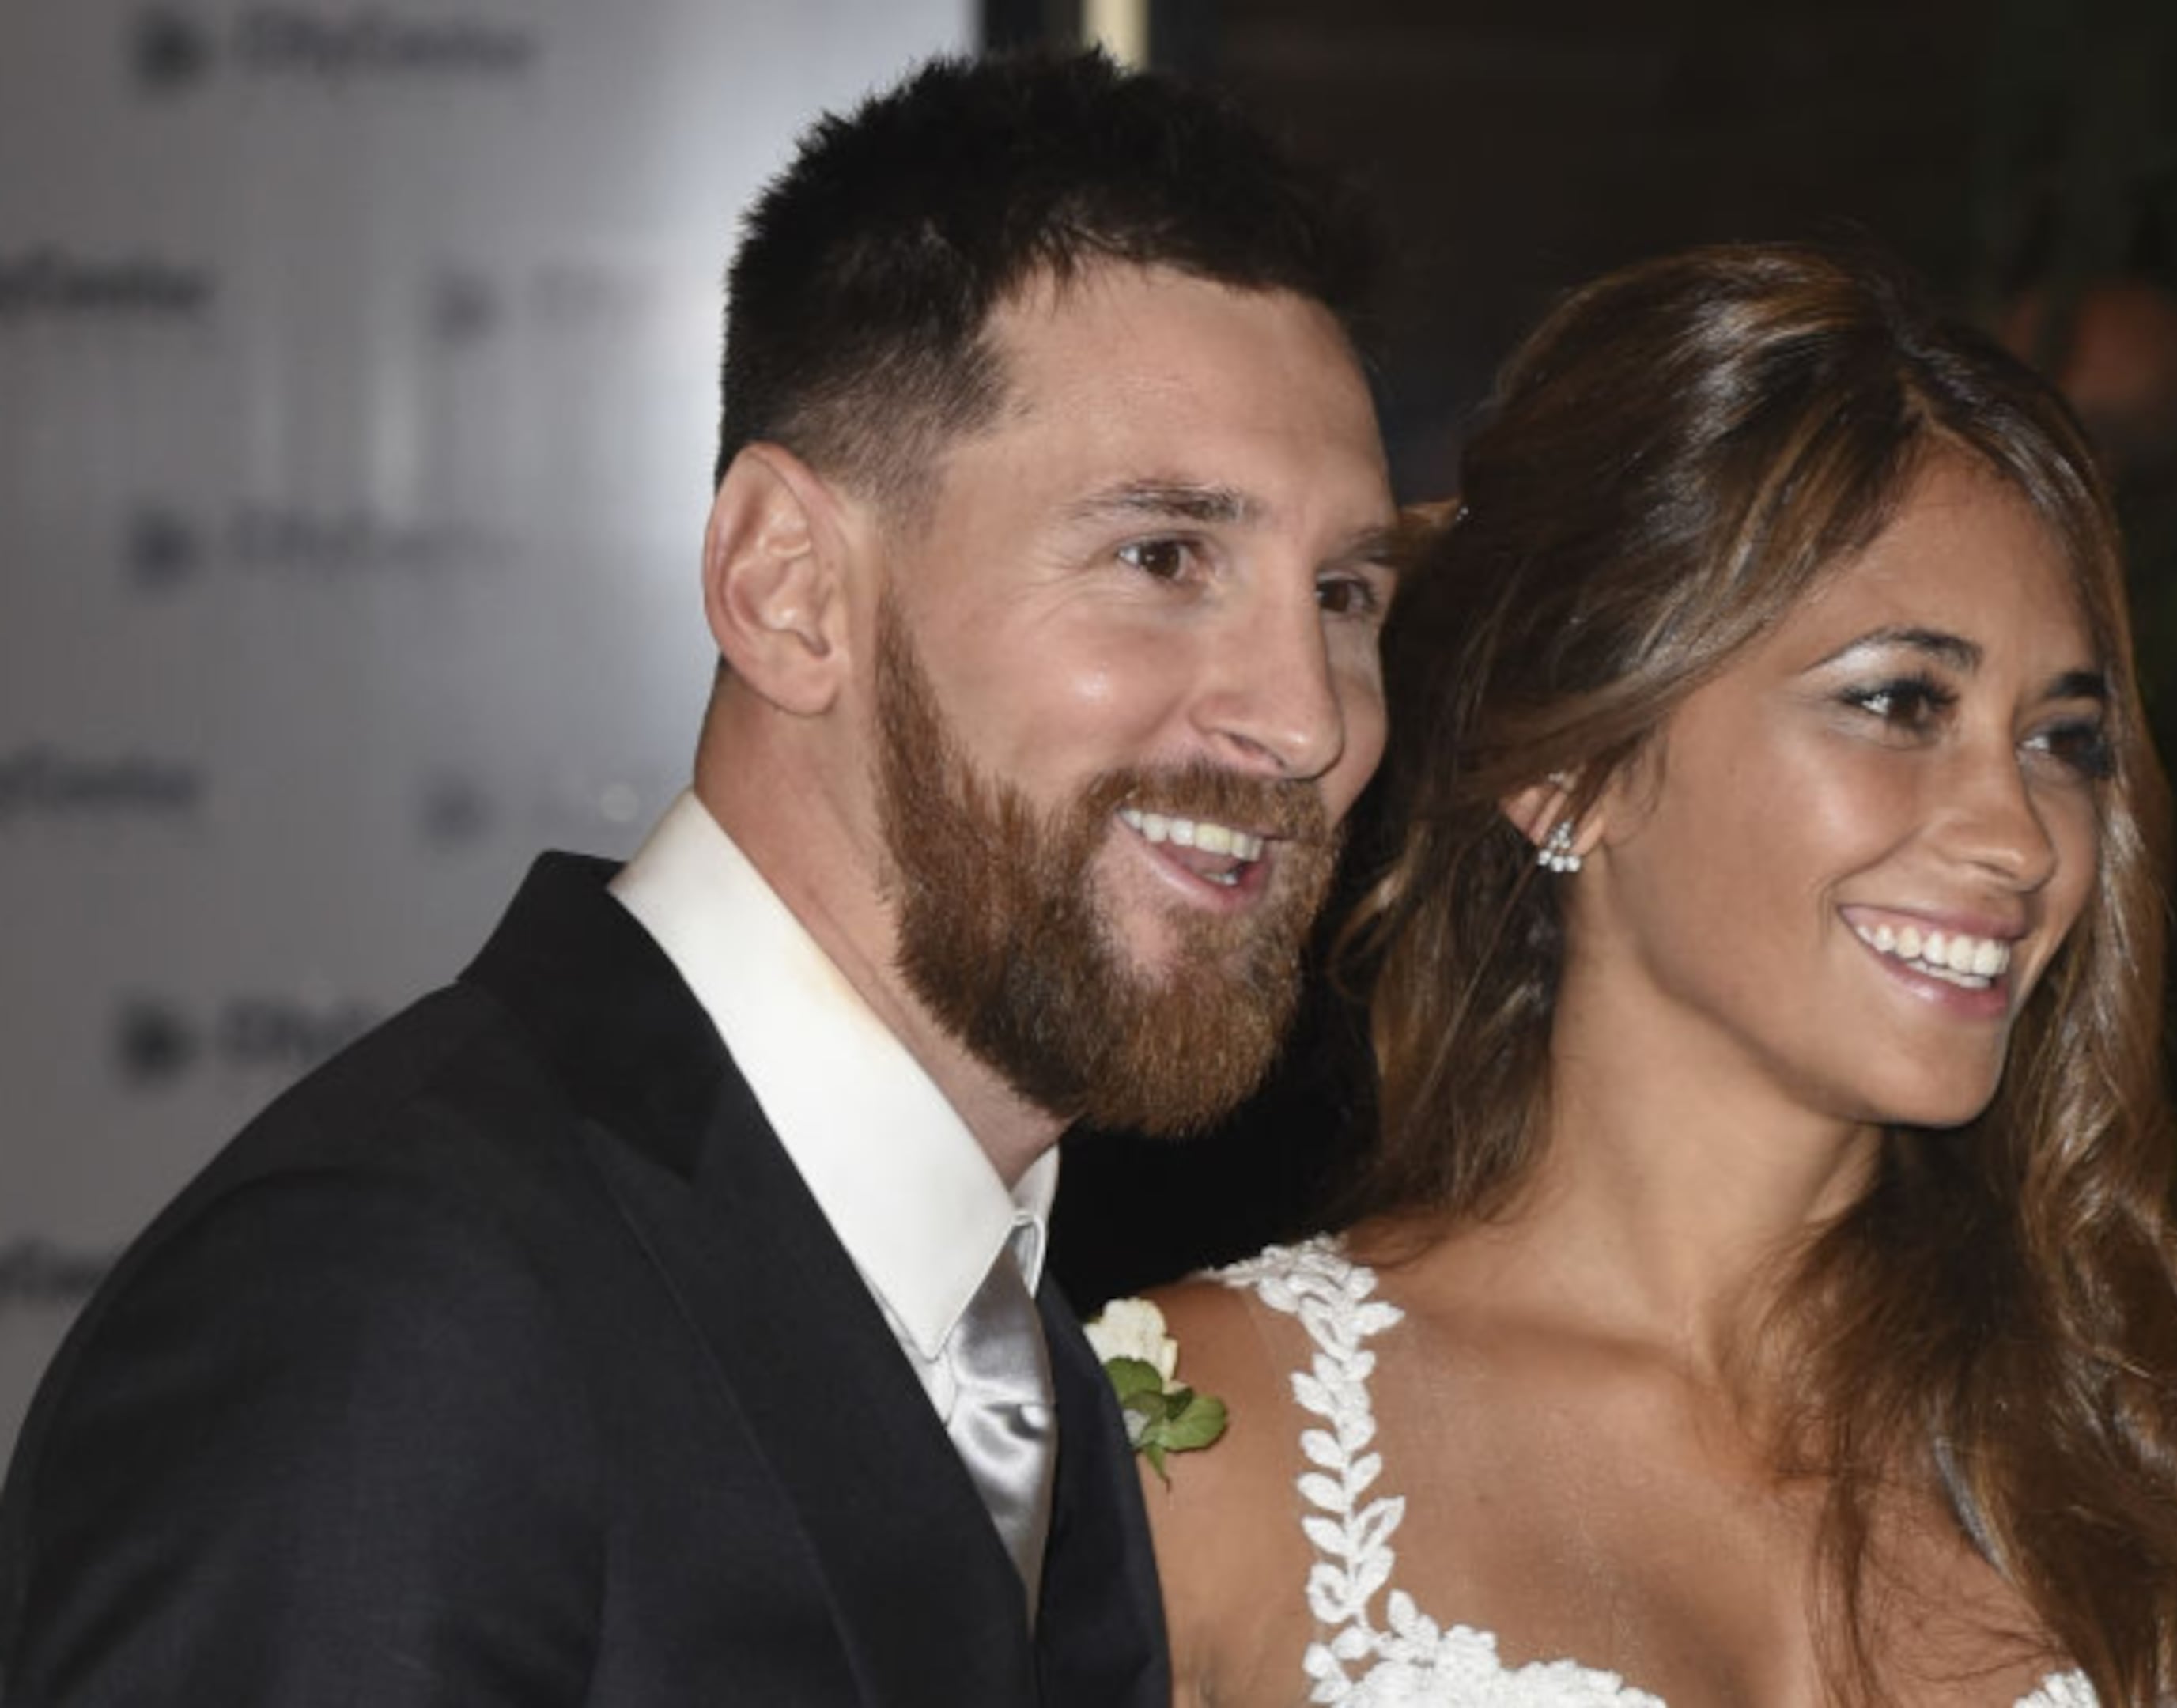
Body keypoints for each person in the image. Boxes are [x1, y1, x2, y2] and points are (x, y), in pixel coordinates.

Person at [0, 49, 1398, 1706]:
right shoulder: (393, 1317)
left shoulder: (1011, 1327)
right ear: (788, 588)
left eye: (1345, 594)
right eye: (1162, 558)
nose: (1306, 720)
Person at [1136, 246, 2177, 1706]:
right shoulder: (1197, 1442)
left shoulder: (2155, 1453)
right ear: (1571, 771)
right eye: (1896, 703)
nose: (2018, 836)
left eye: (2060, 740)